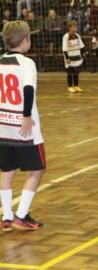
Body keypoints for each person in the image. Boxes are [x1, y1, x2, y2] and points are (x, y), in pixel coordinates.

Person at [0, 21, 47, 230]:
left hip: (3, 125)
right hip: (24, 127)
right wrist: (27, 116)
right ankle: (21, 214)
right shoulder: (27, 64)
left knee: (6, 169)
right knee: (38, 169)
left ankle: (7, 217)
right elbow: (28, 90)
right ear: (24, 40)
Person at [62, 20, 84, 93]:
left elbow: (81, 46)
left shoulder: (77, 35)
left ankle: (76, 86)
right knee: (70, 72)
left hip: (77, 57)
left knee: (76, 72)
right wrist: (67, 58)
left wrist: (85, 53)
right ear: (69, 28)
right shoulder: (66, 36)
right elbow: (64, 48)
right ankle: (70, 86)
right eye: (73, 27)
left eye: (76, 27)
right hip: (69, 58)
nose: (75, 29)